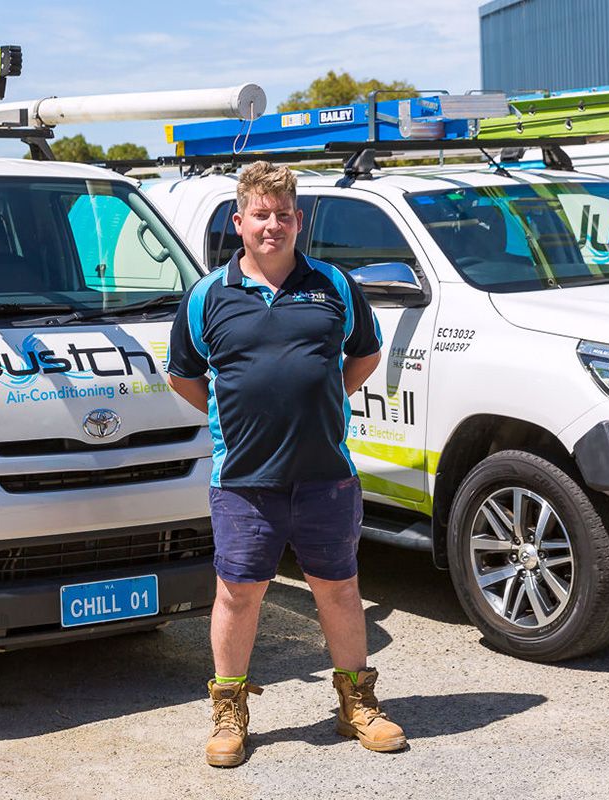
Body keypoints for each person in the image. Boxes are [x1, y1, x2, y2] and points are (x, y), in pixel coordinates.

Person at [166, 161, 407, 767]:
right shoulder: (206, 297)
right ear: (239, 220)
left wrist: (314, 401)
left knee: (339, 587)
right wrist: (239, 415)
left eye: (283, 215)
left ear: (298, 220)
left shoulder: (333, 286)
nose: (272, 225)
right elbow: (185, 376)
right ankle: (228, 710)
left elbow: (364, 357)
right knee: (239, 594)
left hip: (326, 472)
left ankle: (358, 705)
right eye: (260, 214)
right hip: (244, 479)